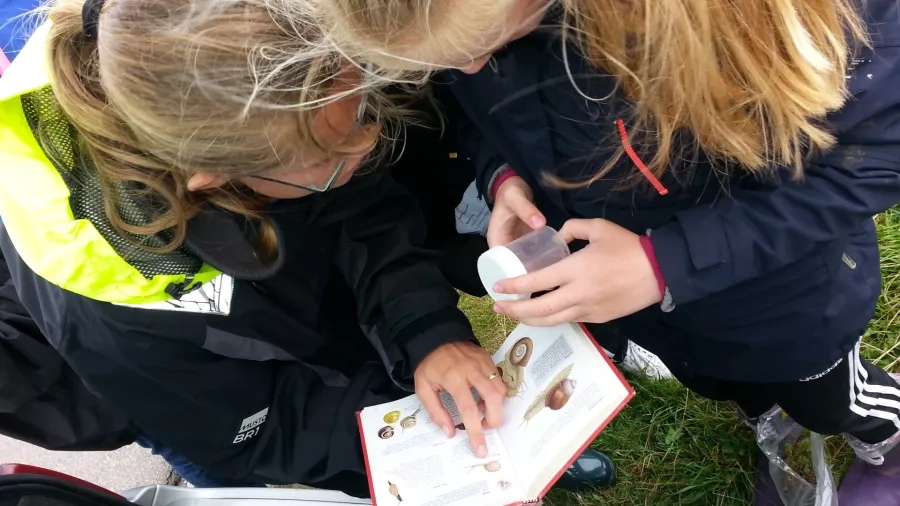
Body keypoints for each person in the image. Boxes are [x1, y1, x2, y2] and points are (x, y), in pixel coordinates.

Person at [0, 0, 616, 494]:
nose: (369, 143)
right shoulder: (112, 308)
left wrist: (427, 333)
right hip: (202, 399)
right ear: (212, 177)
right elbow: (257, 430)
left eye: (365, 114)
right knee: (300, 468)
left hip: (271, 286)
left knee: (390, 367)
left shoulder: (260, 68)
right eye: (333, 156)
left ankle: (512, 454)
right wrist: (404, 441)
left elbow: (364, 214)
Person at [315, 0, 900, 503]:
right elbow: (478, 118)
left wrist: (665, 262)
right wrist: (505, 179)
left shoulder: (774, 22)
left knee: (826, 399)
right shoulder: (469, 36)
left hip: (785, 306)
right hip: (657, 313)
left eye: (478, 41)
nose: (468, 66)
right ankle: (764, 418)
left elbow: (874, 158)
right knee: (726, 384)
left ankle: (885, 439)